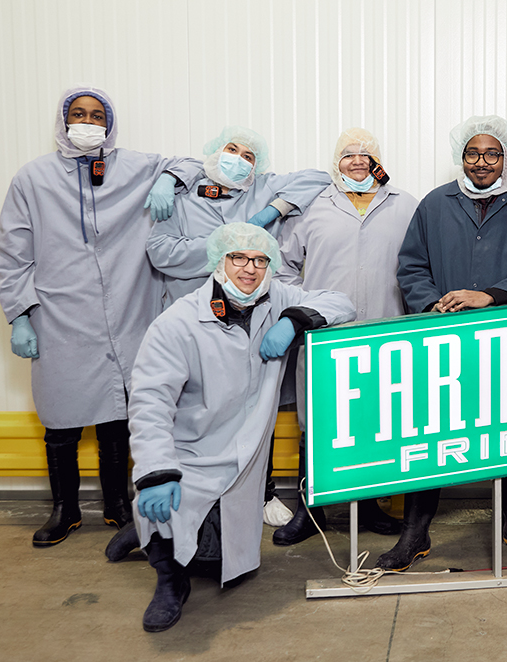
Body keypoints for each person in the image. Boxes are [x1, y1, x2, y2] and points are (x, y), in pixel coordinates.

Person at [0, 86, 203, 548]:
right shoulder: (32, 179)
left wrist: (168, 180)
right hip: (60, 317)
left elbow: (190, 164)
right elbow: (12, 253)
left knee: (119, 414)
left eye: (96, 115)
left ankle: (115, 506)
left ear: (109, 123)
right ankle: (65, 510)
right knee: (60, 421)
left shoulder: (134, 166)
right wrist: (20, 316)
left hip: (128, 312)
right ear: (62, 119)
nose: (87, 122)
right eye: (77, 114)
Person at [128, 222, 354, 632]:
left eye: (260, 259)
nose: (249, 269)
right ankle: (167, 581)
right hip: (190, 450)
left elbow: (342, 302)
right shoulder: (177, 324)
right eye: (237, 257)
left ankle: (158, 536)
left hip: (247, 451)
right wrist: (156, 470)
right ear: (218, 262)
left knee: (221, 564)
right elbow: (149, 402)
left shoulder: (276, 297)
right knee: (169, 517)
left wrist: (295, 319)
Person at [378, 115, 507, 571]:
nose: (482, 163)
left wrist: (490, 296)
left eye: (492, 154)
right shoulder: (434, 205)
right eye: (473, 153)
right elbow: (411, 267)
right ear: (461, 156)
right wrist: (432, 304)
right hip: (443, 344)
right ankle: (414, 533)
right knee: (432, 434)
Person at [273, 127, 419, 545]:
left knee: (373, 422)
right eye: (348, 155)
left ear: (378, 162)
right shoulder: (314, 209)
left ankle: (371, 504)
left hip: (385, 335)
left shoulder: (404, 205)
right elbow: (282, 266)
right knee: (317, 424)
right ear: (335, 162)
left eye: (366, 154)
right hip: (325, 339)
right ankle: (309, 510)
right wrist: (304, 305)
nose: (357, 161)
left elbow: (420, 263)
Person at [146, 125, 330, 306]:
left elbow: (319, 178)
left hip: (254, 309)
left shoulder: (264, 187)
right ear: (218, 153)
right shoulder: (184, 195)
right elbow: (159, 250)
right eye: (232, 149)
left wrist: (273, 210)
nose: (238, 159)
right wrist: (221, 245)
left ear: (254, 167)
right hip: (191, 306)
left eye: (247, 156)